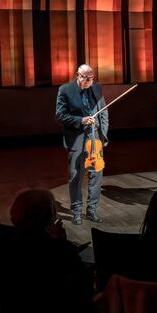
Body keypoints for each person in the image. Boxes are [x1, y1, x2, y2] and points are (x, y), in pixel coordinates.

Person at [0, 189, 104, 313]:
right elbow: (80, 288)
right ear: (49, 219)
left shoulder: (10, 247)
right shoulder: (61, 252)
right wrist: (61, 243)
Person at [55, 64, 108, 225]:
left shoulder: (97, 88)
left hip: (95, 137)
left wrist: (103, 135)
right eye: (86, 77)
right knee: (76, 175)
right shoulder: (65, 90)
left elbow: (103, 112)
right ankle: (76, 211)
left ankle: (92, 210)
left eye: (92, 78)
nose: (89, 81)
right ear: (78, 75)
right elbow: (60, 115)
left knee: (96, 174)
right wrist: (81, 120)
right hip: (77, 136)